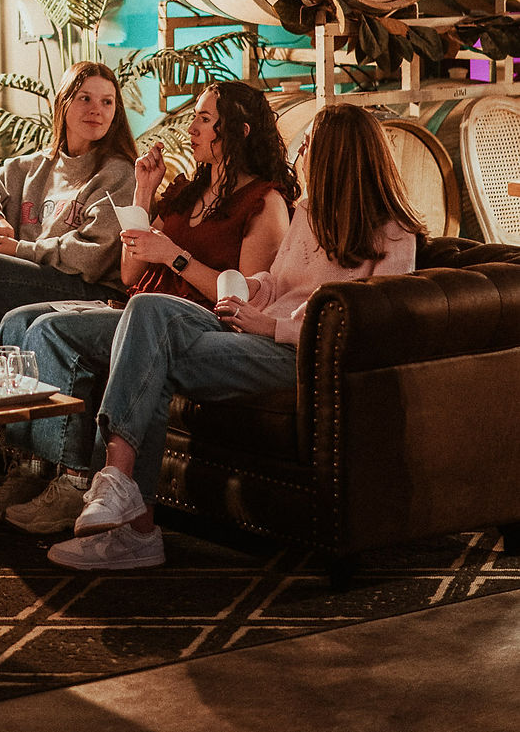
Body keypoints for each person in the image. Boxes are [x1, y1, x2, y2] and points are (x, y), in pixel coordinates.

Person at [45, 102, 423, 571]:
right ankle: (121, 495)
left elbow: (374, 326)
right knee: (147, 308)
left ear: (334, 154)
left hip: (296, 356)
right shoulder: (309, 211)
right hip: (253, 330)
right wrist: (245, 292)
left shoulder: (394, 233)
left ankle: (131, 523)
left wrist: (272, 326)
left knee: (150, 356)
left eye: (308, 144)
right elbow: (278, 282)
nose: (300, 151)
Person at [0, 81, 299, 533]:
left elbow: (245, 298)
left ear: (238, 131)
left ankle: (73, 481)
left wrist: (175, 256)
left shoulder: (264, 202)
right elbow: (131, 274)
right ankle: (29, 468)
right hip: (136, 308)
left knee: (51, 330)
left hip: (191, 322)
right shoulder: (188, 190)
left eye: (204, 119)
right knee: (22, 319)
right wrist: (144, 192)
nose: (191, 128)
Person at [0, 62, 139, 360]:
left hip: (92, 292)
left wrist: (19, 250)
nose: (97, 109)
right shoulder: (36, 166)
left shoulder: (118, 173)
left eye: (107, 102)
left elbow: (92, 258)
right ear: (63, 103)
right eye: (85, 98)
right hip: (39, 280)